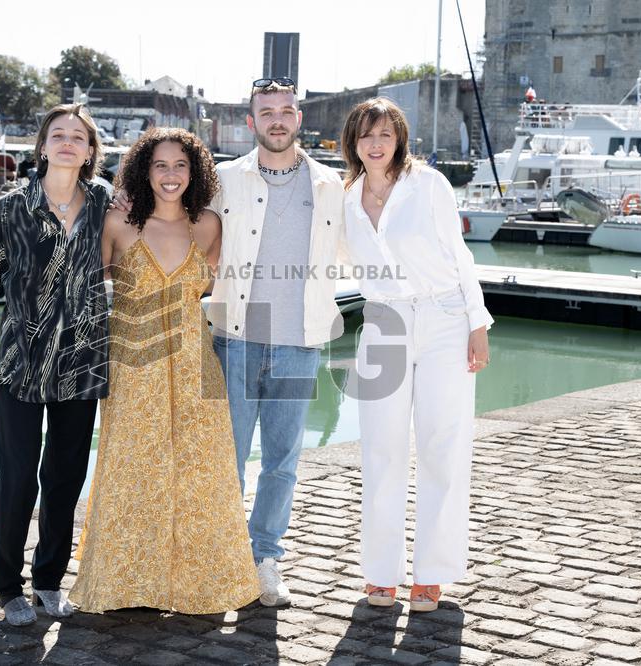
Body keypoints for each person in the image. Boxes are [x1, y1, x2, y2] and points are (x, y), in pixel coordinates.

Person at [69, 128, 259, 614]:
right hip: (134, 363)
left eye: (180, 165)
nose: (170, 175)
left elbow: (217, 286)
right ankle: (128, 584)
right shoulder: (118, 224)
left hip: (196, 362)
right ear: (143, 172)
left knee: (202, 470)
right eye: (160, 165)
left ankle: (199, 585)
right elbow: (86, 290)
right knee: (133, 468)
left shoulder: (209, 226)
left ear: (194, 173)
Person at [339, 97, 493, 611]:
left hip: (445, 318)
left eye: (384, 134)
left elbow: (459, 253)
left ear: (399, 138)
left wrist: (478, 322)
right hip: (383, 319)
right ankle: (381, 573)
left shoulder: (428, 185)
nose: (375, 144)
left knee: (441, 447)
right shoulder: (345, 197)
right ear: (354, 143)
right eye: (366, 135)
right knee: (381, 449)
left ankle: (431, 573)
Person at [0, 104, 110, 626]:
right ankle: (8, 587)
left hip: (83, 361)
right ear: (42, 146)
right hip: (19, 364)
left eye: (78, 136)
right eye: (58, 135)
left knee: (65, 477)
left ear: (91, 150)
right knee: (19, 476)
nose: (68, 143)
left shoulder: (105, 205)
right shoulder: (8, 209)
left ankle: (49, 581)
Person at [209, 78, 347, 607]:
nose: (277, 120)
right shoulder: (224, 180)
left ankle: (265, 557)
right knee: (228, 459)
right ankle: (223, 559)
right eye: (266, 112)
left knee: (283, 461)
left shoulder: (331, 185)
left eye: (286, 110)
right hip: (236, 337)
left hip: (300, 341)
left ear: (299, 118)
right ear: (251, 122)